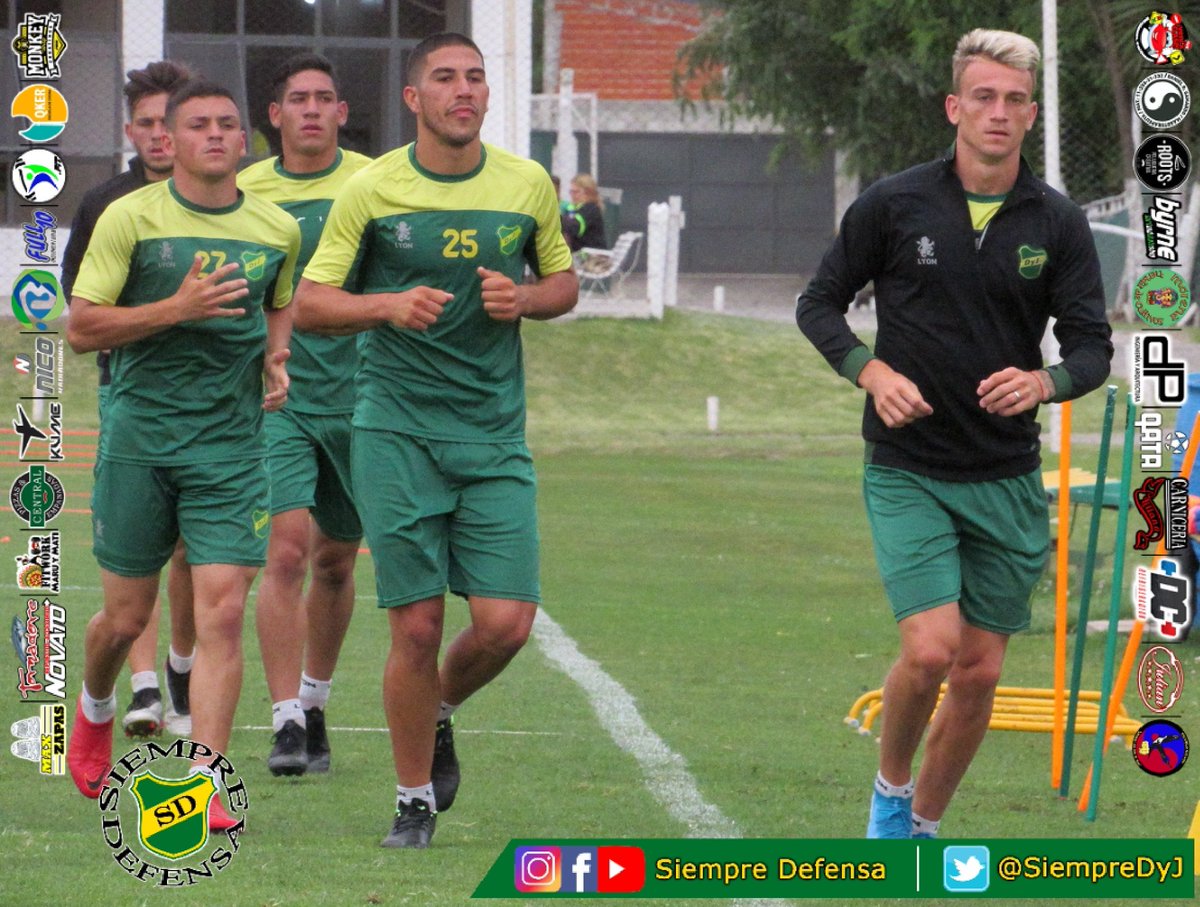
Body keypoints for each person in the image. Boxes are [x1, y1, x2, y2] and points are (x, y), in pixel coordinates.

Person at [796, 29, 1112, 839]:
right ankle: (891, 796)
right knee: (932, 649)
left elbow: (1091, 348)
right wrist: (870, 371)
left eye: (1013, 100)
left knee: (978, 672)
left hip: (1006, 477)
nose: (998, 113)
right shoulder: (894, 203)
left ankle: (924, 829)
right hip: (908, 467)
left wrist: (1045, 381)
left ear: (1032, 114)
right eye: (983, 96)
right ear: (954, 107)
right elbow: (819, 304)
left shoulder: (1060, 223)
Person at [295, 32, 578, 848]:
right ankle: (412, 800)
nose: (465, 91)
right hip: (394, 429)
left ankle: (440, 706)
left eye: (477, 78)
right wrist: (386, 305)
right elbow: (312, 303)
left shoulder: (525, 184)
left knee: (506, 624)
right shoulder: (374, 188)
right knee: (415, 624)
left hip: (491, 434)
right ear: (414, 98)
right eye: (446, 79)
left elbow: (563, 283)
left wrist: (524, 299)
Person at [65, 80, 300, 831]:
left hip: (230, 446)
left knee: (223, 609)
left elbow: (280, 297)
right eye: (197, 123)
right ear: (166, 137)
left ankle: (203, 783)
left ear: (243, 140)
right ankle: (98, 703)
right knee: (123, 620)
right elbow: (83, 327)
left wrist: (277, 355)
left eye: (228, 124)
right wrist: (177, 308)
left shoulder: (275, 227)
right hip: (139, 440)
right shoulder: (128, 218)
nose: (215, 134)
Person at [238, 52, 372, 777]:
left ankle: (316, 702)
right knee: (285, 549)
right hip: (275, 397)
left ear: (343, 113)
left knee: (334, 557)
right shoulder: (246, 190)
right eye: (299, 99)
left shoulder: (375, 181)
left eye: (326, 97)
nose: (313, 109)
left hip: (361, 396)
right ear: (276, 115)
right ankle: (286, 719)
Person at [60, 60, 197, 741]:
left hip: (211, 404)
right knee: (142, 550)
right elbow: (82, 314)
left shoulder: (221, 202)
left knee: (190, 556)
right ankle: (144, 688)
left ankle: (179, 668)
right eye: (144, 123)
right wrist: (162, 314)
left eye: (166, 121)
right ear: (130, 129)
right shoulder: (105, 206)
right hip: (131, 393)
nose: (157, 134)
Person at [561, 173, 607, 252]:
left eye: (576, 192)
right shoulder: (573, 208)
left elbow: (574, 227)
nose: (572, 195)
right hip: (578, 256)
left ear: (588, 192)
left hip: (592, 259)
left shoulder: (591, 209)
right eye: (571, 192)